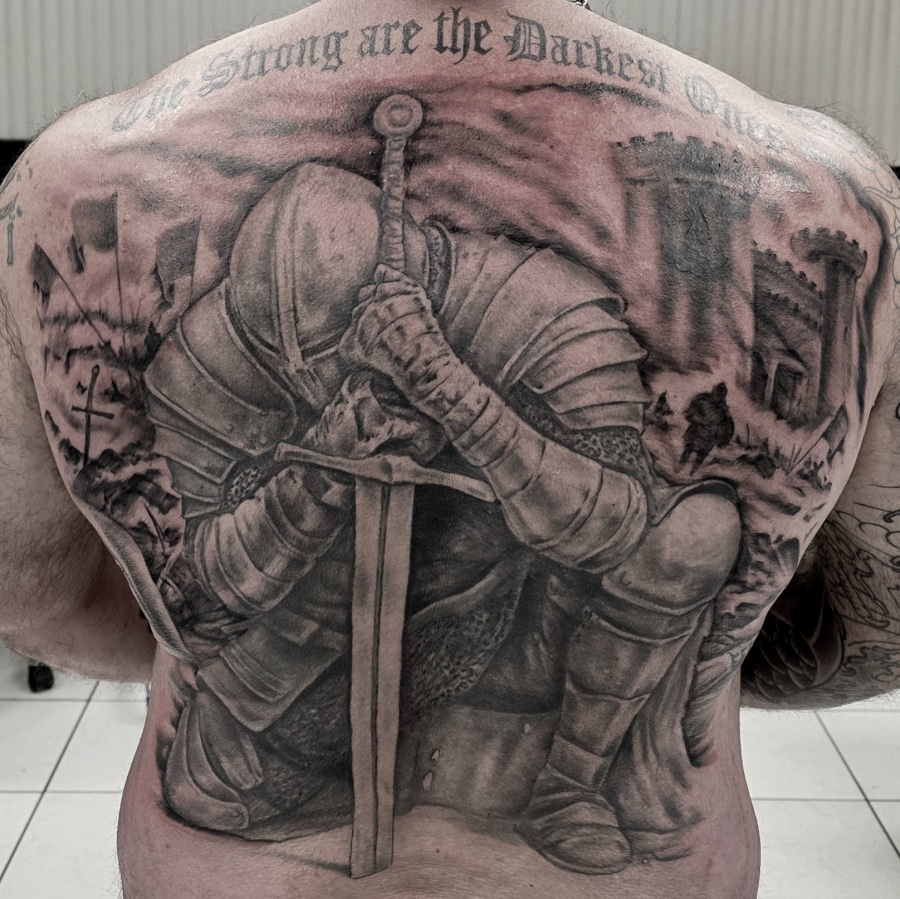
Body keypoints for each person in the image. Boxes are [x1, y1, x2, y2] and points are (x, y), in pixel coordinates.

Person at [0, 1, 898, 896]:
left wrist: (449, 387)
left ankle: (571, 782)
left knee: (695, 532)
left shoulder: (542, 309)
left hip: (527, 641)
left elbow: (617, 532)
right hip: (281, 702)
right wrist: (312, 478)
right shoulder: (827, 190)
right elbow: (196, 599)